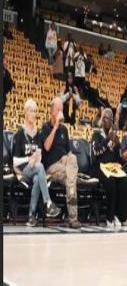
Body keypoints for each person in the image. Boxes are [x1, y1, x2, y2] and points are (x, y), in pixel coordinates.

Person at [12, 99, 61, 226]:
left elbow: (39, 154)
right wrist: (29, 159)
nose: (33, 114)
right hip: (22, 170)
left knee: (38, 178)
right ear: (25, 112)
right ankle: (48, 203)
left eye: (35, 111)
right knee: (40, 167)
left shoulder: (38, 133)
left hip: (35, 168)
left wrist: (36, 158)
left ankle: (31, 215)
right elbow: (15, 161)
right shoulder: (20, 133)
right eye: (31, 111)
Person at [39, 97, 81, 229]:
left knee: (73, 158)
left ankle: (72, 217)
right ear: (52, 111)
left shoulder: (65, 129)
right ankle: (73, 218)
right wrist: (56, 126)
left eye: (62, 110)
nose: (61, 112)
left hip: (65, 166)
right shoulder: (46, 127)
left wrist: (66, 157)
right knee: (72, 179)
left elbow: (69, 152)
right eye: (58, 110)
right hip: (52, 167)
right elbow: (46, 147)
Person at [91, 108, 127, 228]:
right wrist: (107, 138)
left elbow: (118, 159)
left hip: (112, 168)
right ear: (103, 120)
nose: (109, 121)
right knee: (111, 182)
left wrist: (117, 146)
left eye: (111, 119)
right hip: (99, 167)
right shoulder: (96, 134)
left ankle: (122, 215)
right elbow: (96, 152)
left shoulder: (115, 137)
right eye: (107, 118)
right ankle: (110, 216)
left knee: (125, 181)